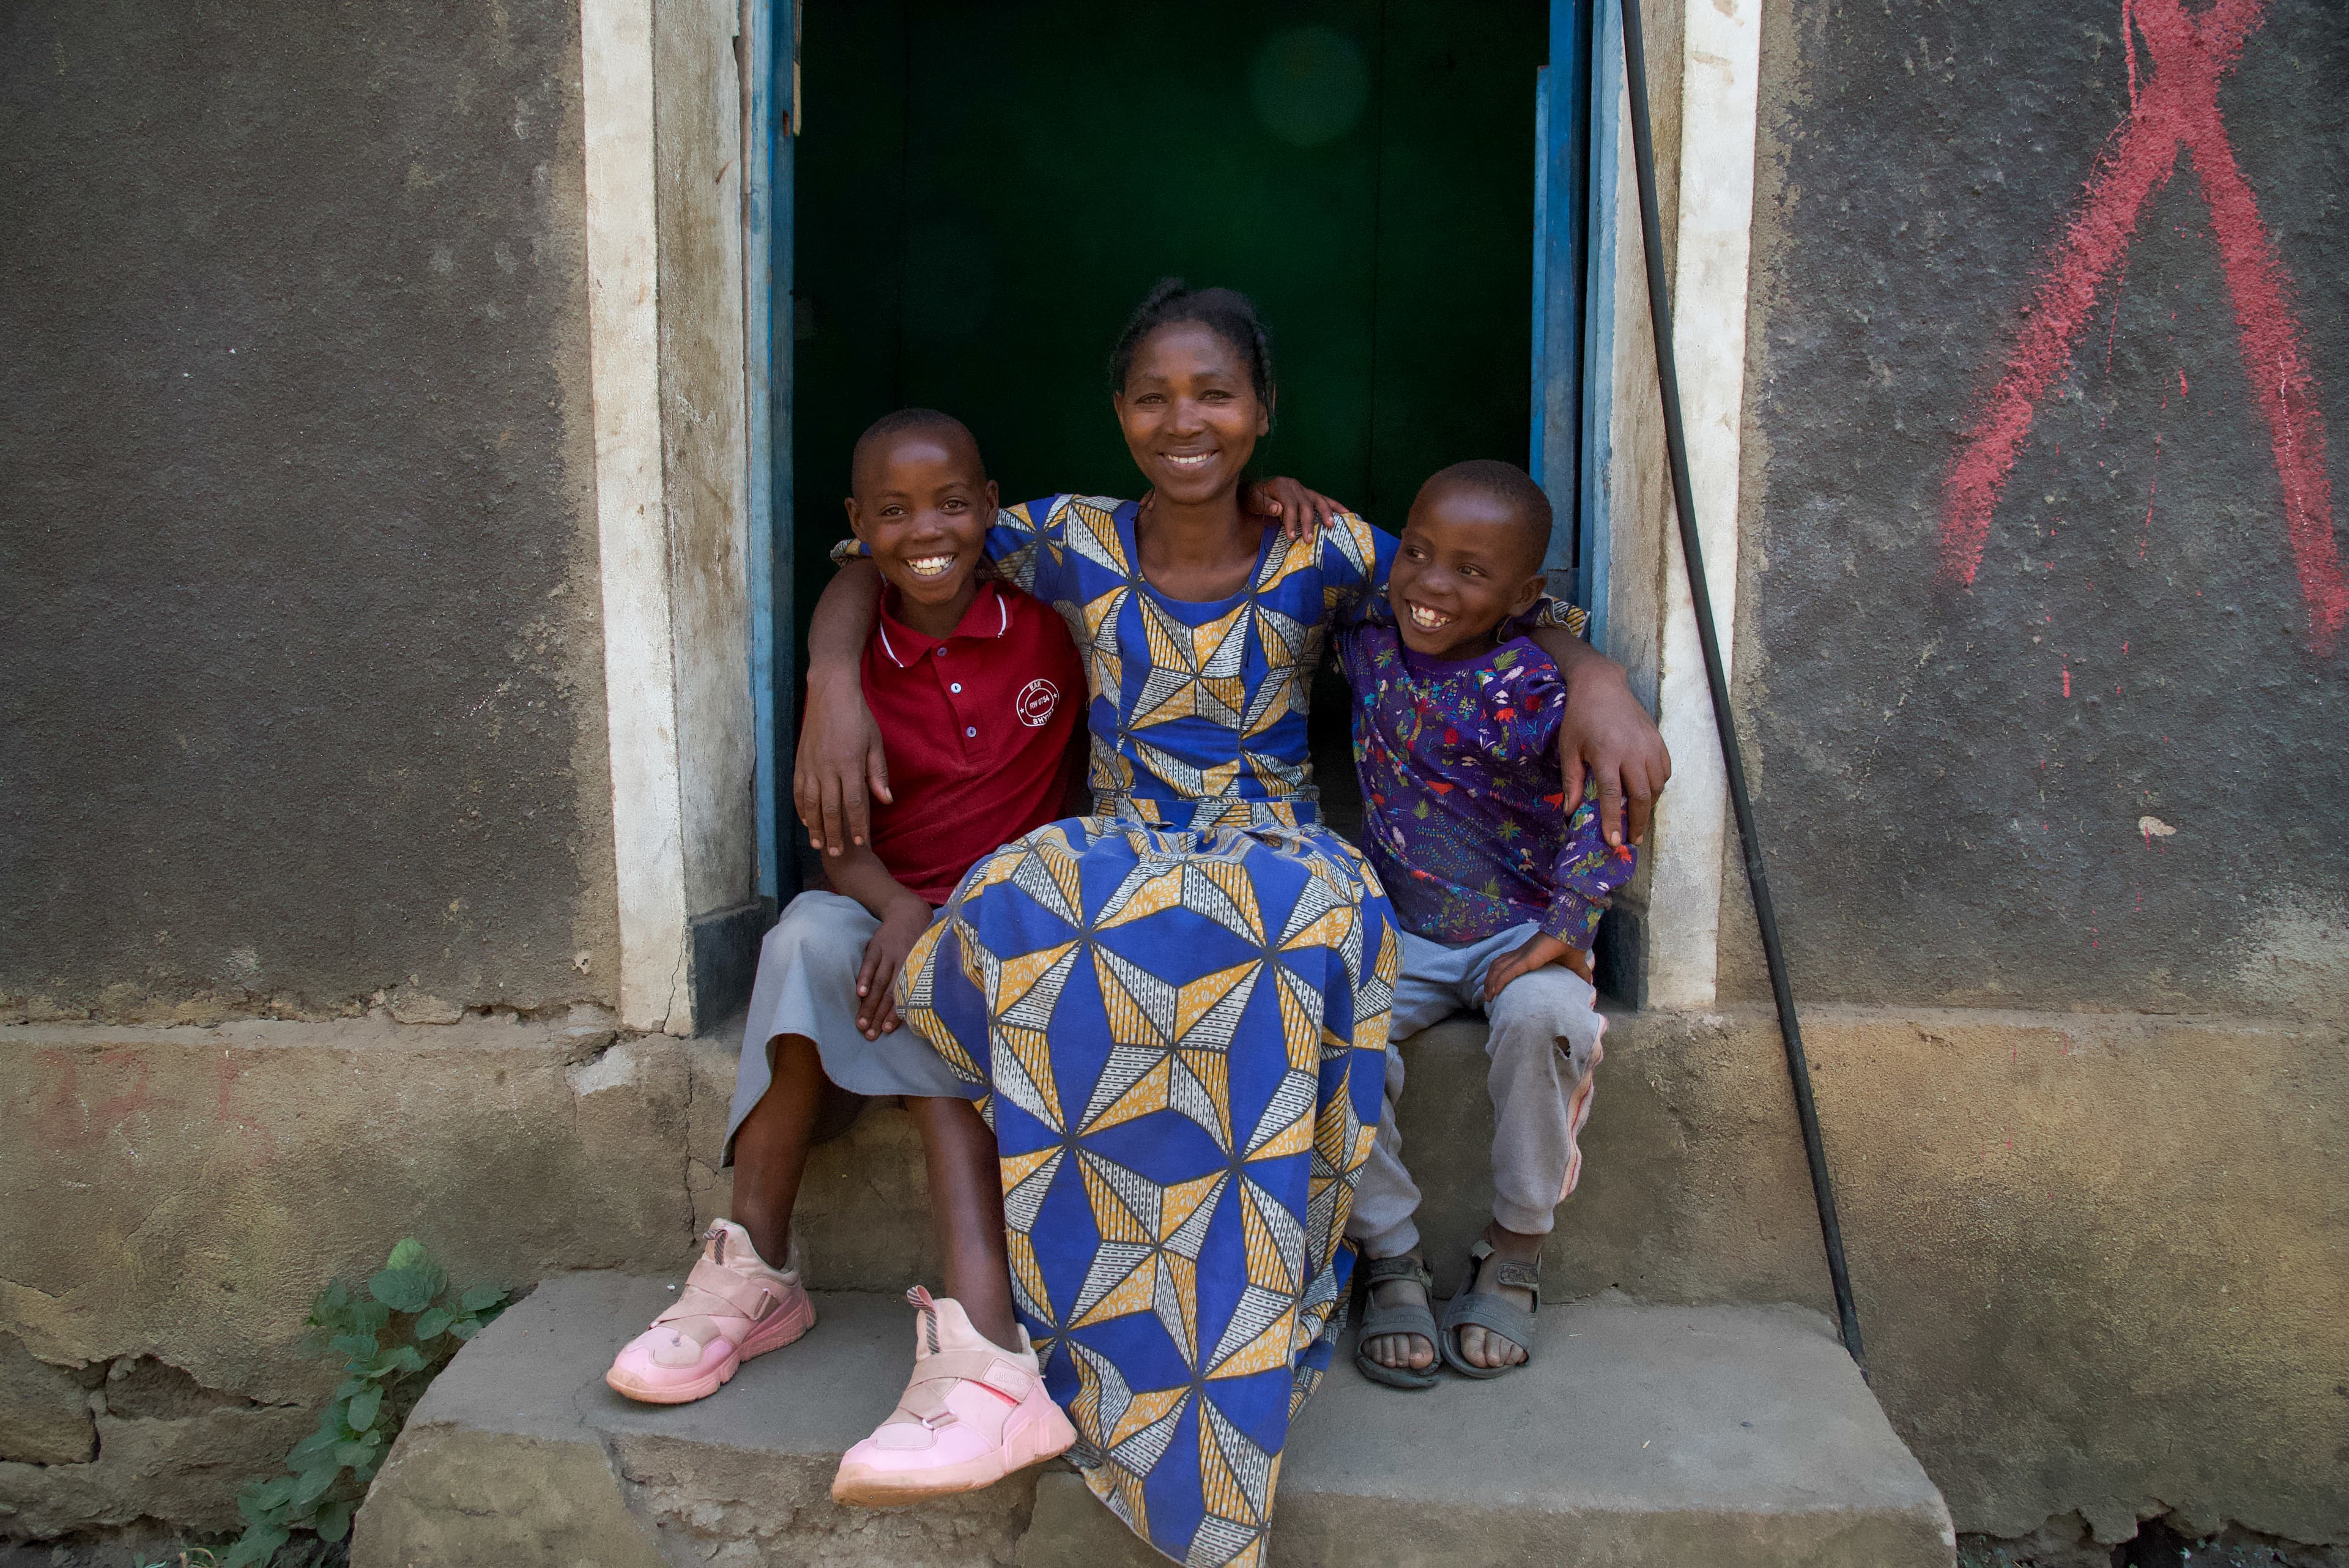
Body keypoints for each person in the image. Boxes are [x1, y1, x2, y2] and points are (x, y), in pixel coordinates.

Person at [795, 282, 1671, 1566]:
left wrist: (1594, 678)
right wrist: (829, 679)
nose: (1183, 418)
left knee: (1276, 956)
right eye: (1153, 395)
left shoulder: (1324, 550)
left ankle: (1226, 1354)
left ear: (1262, 414)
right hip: (1117, 844)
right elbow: (872, 560)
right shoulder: (1073, 537)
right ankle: (1072, 1330)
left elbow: (1487, 593)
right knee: (1023, 933)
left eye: (1214, 392)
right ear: (1117, 413)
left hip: (1273, 850)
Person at [604, 410, 1090, 1506]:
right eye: (895, 512)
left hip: (1014, 933)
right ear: (856, 527)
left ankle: (984, 1344)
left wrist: (944, 921)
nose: (929, 530)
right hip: (881, 922)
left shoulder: (1054, 630)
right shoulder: (855, 671)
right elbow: (836, 851)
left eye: (954, 504)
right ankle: (756, 1269)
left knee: (948, 967)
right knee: (800, 937)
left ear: (992, 506)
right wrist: (900, 903)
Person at [1334, 460, 1639, 1389]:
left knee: (1547, 1022)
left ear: (1526, 596)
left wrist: (1572, 921)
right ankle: (1389, 1255)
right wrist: (1292, 496)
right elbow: (1314, 563)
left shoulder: (1543, 684)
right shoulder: (1366, 636)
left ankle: (1514, 1248)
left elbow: (1609, 808)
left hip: (1524, 932)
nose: (1432, 585)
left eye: (1472, 572)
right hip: (1405, 932)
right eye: (1419, 554)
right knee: (1334, 1031)